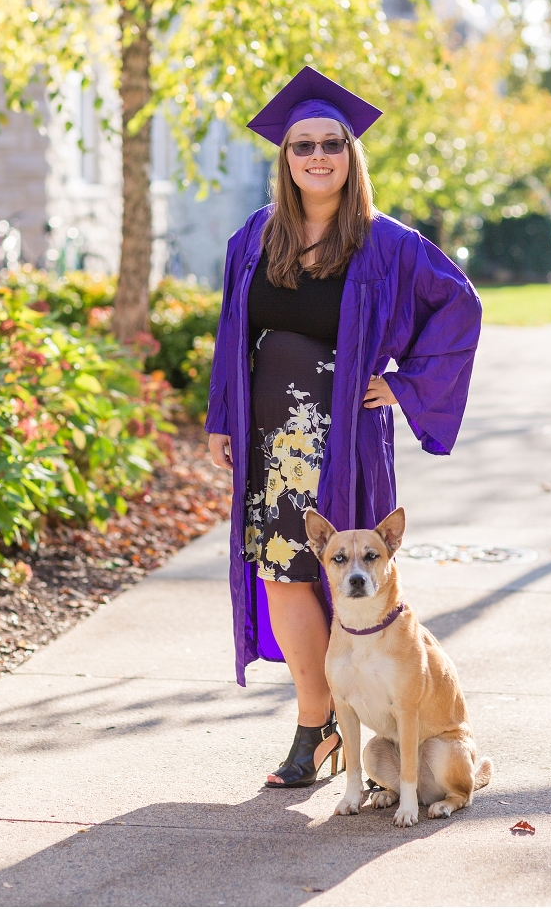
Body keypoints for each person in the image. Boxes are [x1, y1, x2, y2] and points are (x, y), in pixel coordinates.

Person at [206, 66, 482, 788]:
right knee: (284, 578)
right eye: (303, 146)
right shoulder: (254, 237)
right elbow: (231, 332)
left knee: (346, 581)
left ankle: (384, 724)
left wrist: (403, 384)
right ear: (286, 159)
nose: (317, 156)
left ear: (350, 155)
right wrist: (220, 419)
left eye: (332, 143)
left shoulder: (386, 243)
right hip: (271, 442)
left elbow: (460, 306)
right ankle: (316, 725)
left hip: (343, 439)